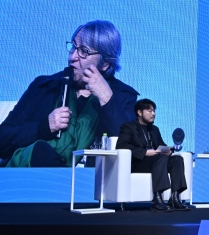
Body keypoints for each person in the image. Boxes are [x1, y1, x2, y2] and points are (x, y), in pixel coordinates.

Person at [0, 20, 138, 167]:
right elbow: (3, 139)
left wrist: (106, 98)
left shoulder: (123, 97)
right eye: (73, 47)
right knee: (40, 150)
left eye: (84, 51)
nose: (72, 57)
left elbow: (131, 152)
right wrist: (43, 127)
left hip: (89, 184)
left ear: (105, 64)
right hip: (32, 180)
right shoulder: (43, 87)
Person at [116, 99, 189, 212]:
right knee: (160, 158)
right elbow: (121, 145)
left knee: (177, 159)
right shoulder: (128, 127)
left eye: (154, 111)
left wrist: (168, 151)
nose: (153, 114)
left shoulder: (154, 129)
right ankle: (157, 200)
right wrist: (145, 152)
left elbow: (162, 145)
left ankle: (174, 198)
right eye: (149, 111)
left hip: (157, 161)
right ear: (139, 112)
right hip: (139, 162)